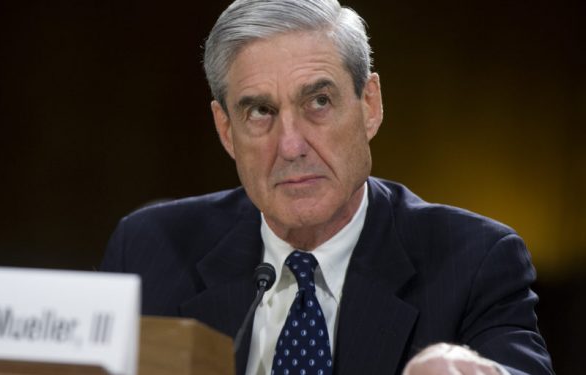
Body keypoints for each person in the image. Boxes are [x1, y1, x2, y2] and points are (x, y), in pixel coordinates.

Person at [100, 0, 553, 374]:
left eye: (319, 101)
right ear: (225, 130)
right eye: (260, 111)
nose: (291, 145)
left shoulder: (473, 260)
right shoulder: (148, 248)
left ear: (369, 105)